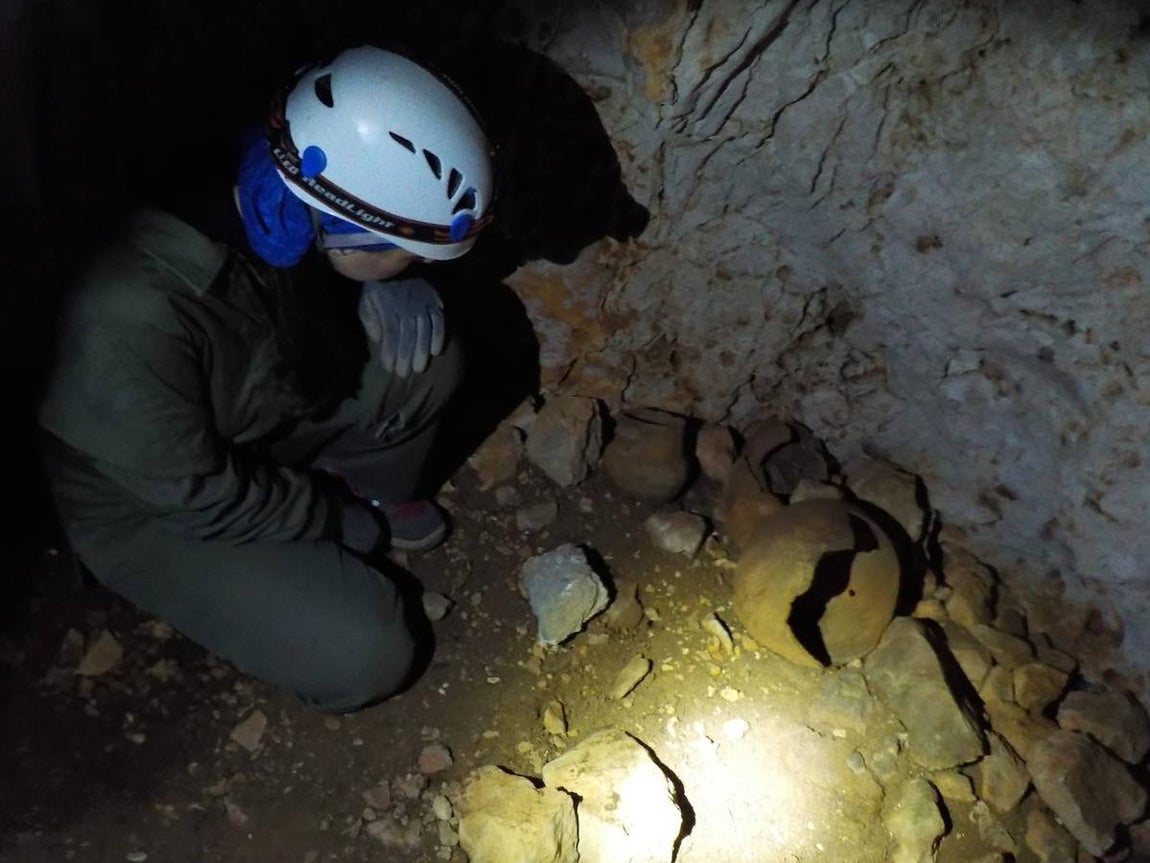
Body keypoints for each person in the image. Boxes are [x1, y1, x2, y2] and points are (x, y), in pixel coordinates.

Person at [37, 45, 495, 713]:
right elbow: (197, 494)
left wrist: (402, 282)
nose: (415, 263)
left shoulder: (283, 182)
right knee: (368, 647)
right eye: (410, 251)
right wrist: (330, 520)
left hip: (250, 395)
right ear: (347, 229)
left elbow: (302, 298)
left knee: (426, 355)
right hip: (145, 496)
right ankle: (332, 523)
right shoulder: (127, 309)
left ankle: (359, 489)